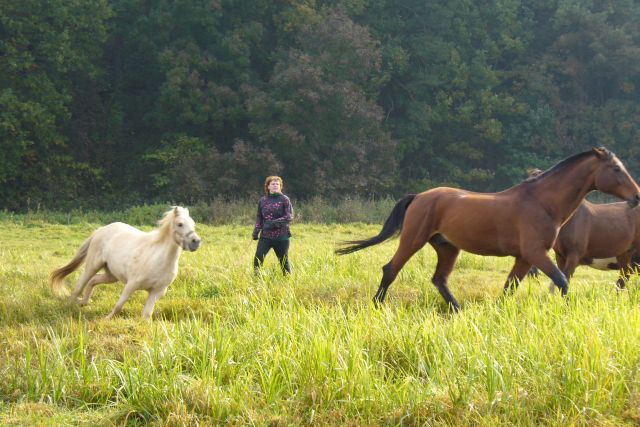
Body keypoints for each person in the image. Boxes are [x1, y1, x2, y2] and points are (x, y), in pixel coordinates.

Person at [252, 176, 294, 274]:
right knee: (258, 259)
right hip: (265, 237)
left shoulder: (285, 199)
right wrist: (256, 232)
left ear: (280, 187)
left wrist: (273, 223)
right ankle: (257, 280)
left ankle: (287, 282)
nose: (275, 186)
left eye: (277, 184)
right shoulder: (262, 200)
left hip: (282, 237)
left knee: (284, 262)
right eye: (273, 184)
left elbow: (289, 217)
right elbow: (259, 218)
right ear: (268, 186)